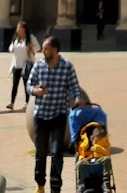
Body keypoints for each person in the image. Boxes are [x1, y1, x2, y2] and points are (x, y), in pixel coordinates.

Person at [28, 35, 81, 193]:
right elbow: (29, 85)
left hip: (58, 114)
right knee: (41, 152)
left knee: (57, 151)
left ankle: (55, 187)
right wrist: (35, 91)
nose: (42, 51)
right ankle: (40, 184)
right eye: (43, 48)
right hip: (41, 115)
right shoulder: (39, 65)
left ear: (55, 50)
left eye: (46, 48)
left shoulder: (67, 66)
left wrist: (77, 98)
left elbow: (74, 86)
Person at [68, 89, 110, 193]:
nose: (92, 140)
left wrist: (95, 148)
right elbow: (81, 153)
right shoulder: (84, 142)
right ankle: (81, 184)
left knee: (107, 160)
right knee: (79, 164)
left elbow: (106, 153)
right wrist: (82, 156)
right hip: (87, 162)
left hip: (100, 161)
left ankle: (105, 182)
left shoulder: (103, 142)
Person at [7, 19, 40, 110]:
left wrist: (31, 49)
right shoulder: (16, 38)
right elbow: (11, 47)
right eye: (17, 28)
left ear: (24, 29)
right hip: (16, 65)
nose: (18, 30)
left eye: (20, 28)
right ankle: (12, 102)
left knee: (26, 85)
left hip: (26, 66)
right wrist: (12, 49)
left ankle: (27, 102)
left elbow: (38, 47)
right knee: (15, 85)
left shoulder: (30, 38)